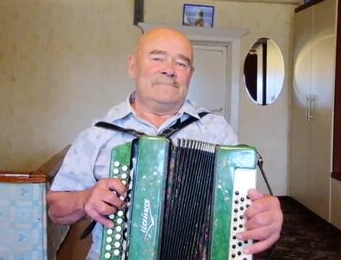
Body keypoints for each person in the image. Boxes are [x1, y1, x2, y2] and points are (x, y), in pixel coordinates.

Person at [46, 27, 283, 259]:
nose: (169, 70)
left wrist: (262, 220)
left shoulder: (216, 131)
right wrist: (84, 198)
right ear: (133, 66)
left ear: (190, 73)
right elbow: (55, 209)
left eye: (181, 63)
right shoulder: (97, 135)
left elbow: (239, 213)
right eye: (157, 58)